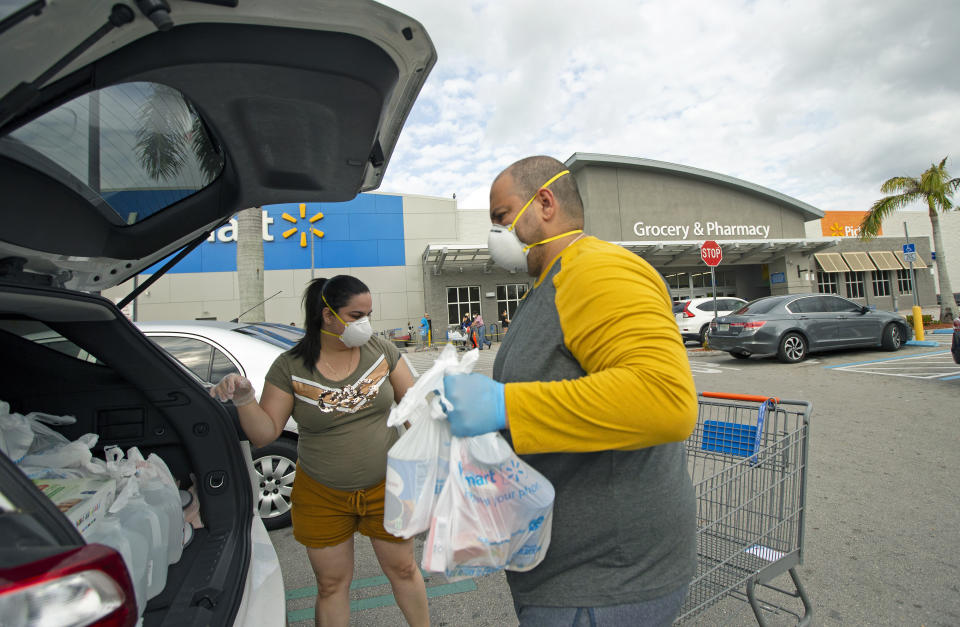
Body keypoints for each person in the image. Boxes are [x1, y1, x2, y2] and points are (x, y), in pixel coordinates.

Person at [442, 156, 698, 626]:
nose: (497, 232)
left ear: (544, 203)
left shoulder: (596, 270)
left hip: (604, 584)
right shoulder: (549, 283)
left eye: (501, 217)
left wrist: (504, 405)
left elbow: (665, 400)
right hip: (563, 573)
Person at [210, 275, 429, 627]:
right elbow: (265, 434)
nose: (366, 324)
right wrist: (245, 399)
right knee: (330, 585)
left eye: (368, 314)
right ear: (327, 316)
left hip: (388, 487)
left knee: (404, 569)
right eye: (356, 315)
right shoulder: (291, 367)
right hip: (322, 495)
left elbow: (417, 408)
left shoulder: (381, 351)